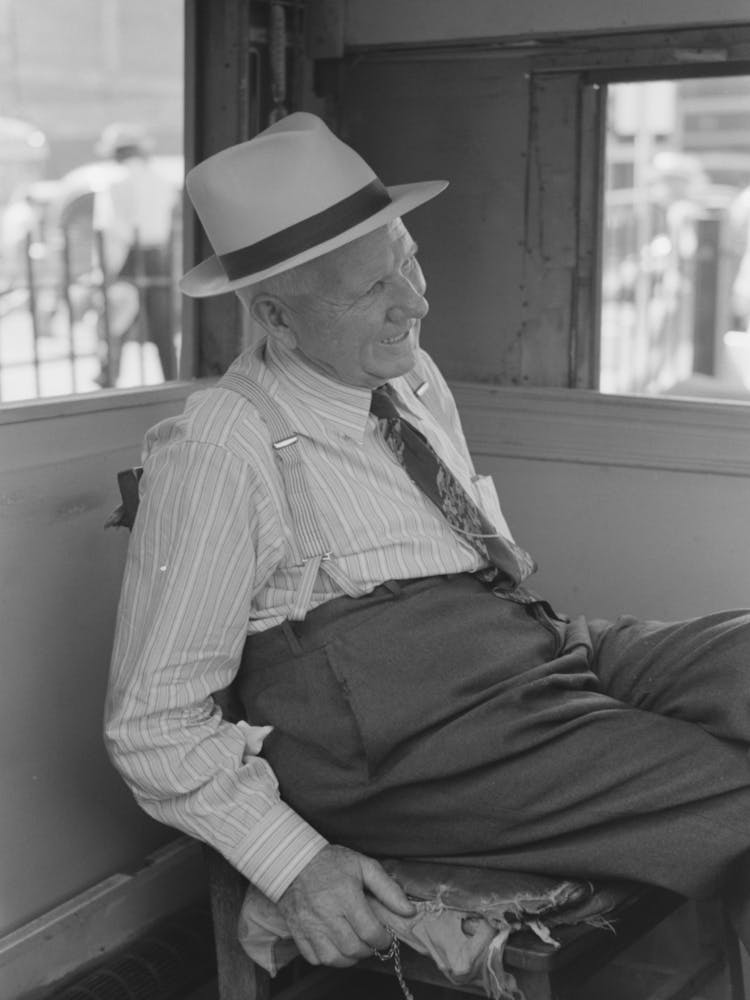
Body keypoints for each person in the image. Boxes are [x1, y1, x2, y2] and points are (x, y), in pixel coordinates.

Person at [104, 112, 750, 972]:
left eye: (406, 258)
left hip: (534, 648)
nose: (415, 300)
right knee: (732, 790)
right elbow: (152, 721)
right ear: (277, 319)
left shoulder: (406, 374)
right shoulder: (222, 444)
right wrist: (293, 863)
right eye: (372, 288)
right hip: (414, 743)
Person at [92, 122, 178, 386]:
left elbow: (113, 229)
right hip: (157, 257)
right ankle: (172, 379)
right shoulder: (161, 180)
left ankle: (109, 376)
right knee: (162, 327)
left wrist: (105, 270)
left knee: (116, 324)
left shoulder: (114, 182)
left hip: (127, 257)